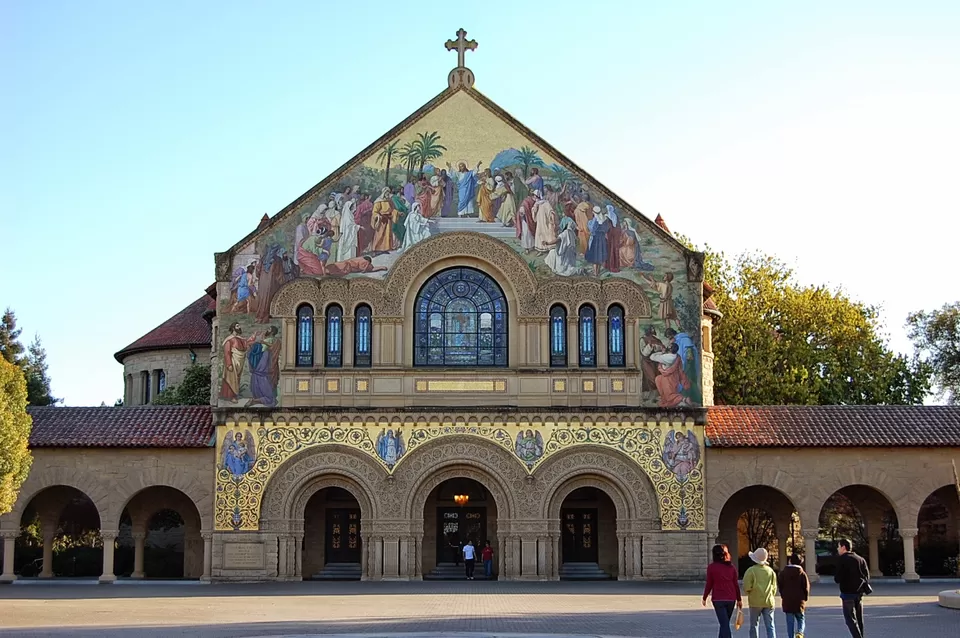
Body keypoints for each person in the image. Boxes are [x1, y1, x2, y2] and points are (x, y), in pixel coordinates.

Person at [702, 544, 742, 638]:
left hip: (718, 599)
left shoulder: (711, 567)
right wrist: (739, 599)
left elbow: (709, 584)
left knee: (724, 624)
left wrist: (705, 597)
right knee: (725, 623)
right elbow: (736, 585)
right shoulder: (731, 567)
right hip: (731, 598)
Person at [835, 538, 870, 638]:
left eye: (838, 546)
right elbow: (867, 576)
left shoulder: (842, 559)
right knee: (859, 618)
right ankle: (861, 635)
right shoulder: (860, 559)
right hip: (859, 593)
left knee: (850, 619)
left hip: (847, 593)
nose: (837, 549)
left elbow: (837, 578)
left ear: (843, 547)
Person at [743, 547, 778, 638]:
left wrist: (749, 592)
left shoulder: (751, 570)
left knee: (754, 625)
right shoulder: (771, 571)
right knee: (770, 625)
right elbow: (774, 587)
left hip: (755, 601)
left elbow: (746, 586)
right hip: (769, 601)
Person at [778, 552, 810, 638]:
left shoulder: (783, 573)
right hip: (799, 601)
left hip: (787, 601)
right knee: (801, 619)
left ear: (790, 561)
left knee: (790, 622)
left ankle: (790, 636)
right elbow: (806, 587)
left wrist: (783, 595)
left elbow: (780, 586)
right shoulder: (802, 574)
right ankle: (799, 632)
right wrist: (805, 598)